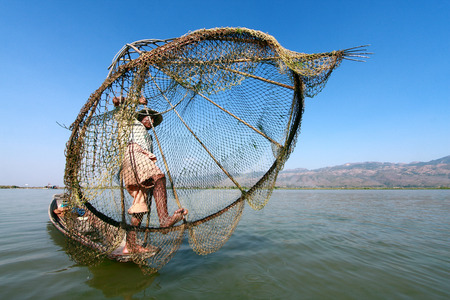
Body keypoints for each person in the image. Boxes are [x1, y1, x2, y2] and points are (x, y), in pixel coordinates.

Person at [114, 98, 187, 254]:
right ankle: (165, 220)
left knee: (140, 207)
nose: (151, 120)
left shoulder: (149, 137)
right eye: (148, 117)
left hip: (140, 163)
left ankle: (130, 246)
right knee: (159, 177)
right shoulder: (132, 124)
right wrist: (135, 100)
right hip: (133, 155)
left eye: (153, 118)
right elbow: (116, 102)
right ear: (141, 117)